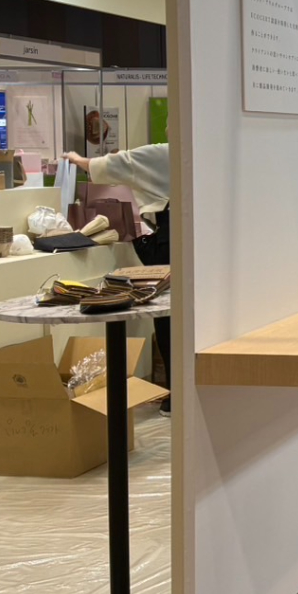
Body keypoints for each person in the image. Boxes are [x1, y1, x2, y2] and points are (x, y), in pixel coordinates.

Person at [64, 143, 172, 414]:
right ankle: (187, 391)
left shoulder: (164, 151)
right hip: (198, 237)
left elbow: (109, 165)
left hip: (171, 239)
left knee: (169, 318)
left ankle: (176, 394)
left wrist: (75, 158)